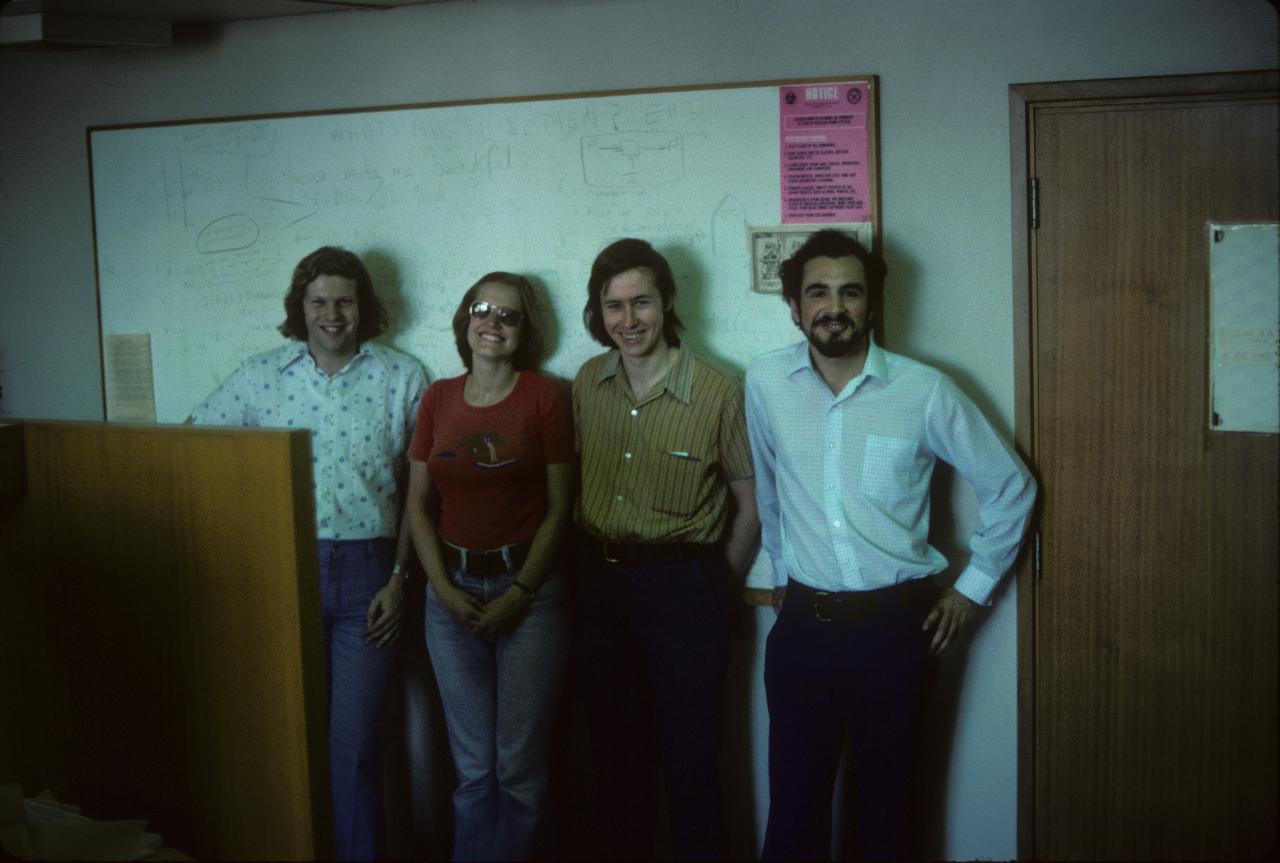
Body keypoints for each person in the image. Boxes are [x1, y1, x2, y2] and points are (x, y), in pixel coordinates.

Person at [744, 229, 1037, 860]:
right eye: (816, 292)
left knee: (888, 810)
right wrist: (782, 567)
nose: (833, 306)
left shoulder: (924, 390)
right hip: (802, 632)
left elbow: (1011, 487)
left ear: (872, 304)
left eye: (850, 292)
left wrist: (971, 590)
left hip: (896, 632)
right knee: (794, 810)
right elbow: (769, 490)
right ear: (794, 306)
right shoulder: (765, 382)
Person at [189, 246, 426, 861]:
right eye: (318, 300)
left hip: (370, 580)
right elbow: (196, 448)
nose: (331, 313)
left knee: (355, 747)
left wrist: (399, 580)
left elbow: (425, 496)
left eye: (344, 300)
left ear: (363, 306)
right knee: (284, 740)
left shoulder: (402, 376)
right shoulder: (260, 375)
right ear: (300, 307)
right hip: (281, 574)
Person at [570, 238, 759, 860]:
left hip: (685, 589)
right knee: (613, 760)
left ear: (668, 301)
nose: (628, 321)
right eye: (613, 306)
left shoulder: (718, 390)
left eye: (641, 303)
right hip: (599, 587)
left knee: (691, 760)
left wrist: (711, 588)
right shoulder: (586, 384)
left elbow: (749, 504)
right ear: (599, 312)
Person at [405, 272, 573, 860]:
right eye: (482, 309)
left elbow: (560, 509)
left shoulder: (545, 397)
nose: (492, 322)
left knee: (518, 769)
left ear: (525, 330)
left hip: (530, 594)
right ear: (464, 319)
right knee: (473, 768)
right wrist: (445, 593)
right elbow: (418, 508)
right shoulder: (437, 398)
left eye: (508, 314)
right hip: (449, 592)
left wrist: (520, 593)